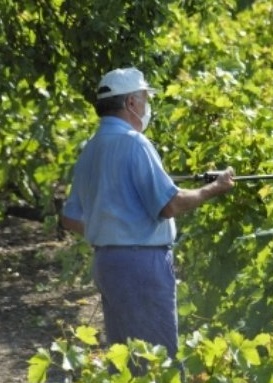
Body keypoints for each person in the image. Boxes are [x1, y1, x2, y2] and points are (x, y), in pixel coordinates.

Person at [60, 67, 234, 375]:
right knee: (158, 361)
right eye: (143, 98)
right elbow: (170, 204)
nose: (146, 105)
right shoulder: (135, 143)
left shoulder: (91, 149)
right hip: (142, 266)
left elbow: (70, 218)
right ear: (130, 104)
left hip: (108, 263)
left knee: (126, 360)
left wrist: (111, 229)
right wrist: (214, 188)